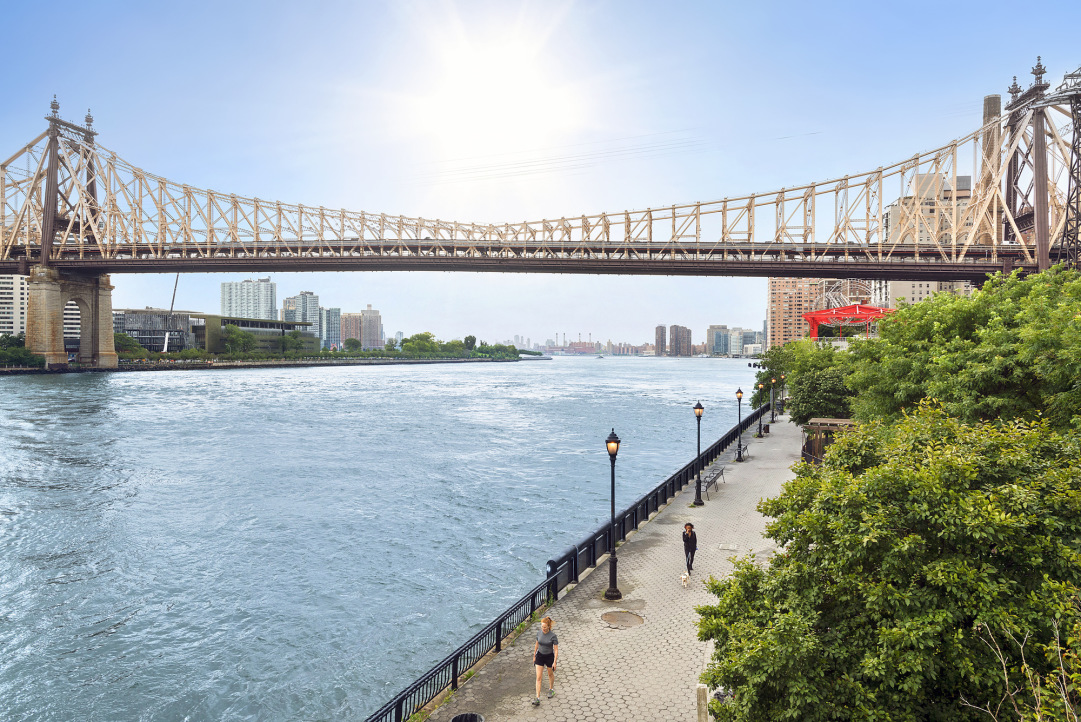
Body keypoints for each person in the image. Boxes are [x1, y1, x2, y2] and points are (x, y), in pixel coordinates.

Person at [532, 616, 558, 706]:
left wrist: (555, 662)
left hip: (549, 657)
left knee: (550, 674)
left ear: (549, 627)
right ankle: (537, 698)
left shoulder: (553, 636)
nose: (543, 629)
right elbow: (537, 644)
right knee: (538, 677)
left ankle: (551, 689)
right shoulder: (539, 633)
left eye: (545, 627)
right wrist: (534, 655)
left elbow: (556, 650)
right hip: (540, 656)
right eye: (542, 627)